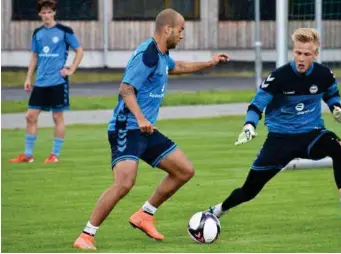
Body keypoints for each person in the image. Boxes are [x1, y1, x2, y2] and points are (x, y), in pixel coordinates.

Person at [73, 8, 229, 250]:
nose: (182, 35)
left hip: (145, 129)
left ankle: (145, 214)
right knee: (124, 183)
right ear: (167, 29)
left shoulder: (162, 55)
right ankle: (86, 235)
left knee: (184, 170)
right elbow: (125, 89)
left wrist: (209, 62)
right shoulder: (148, 53)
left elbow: (178, 67)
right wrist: (141, 117)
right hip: (127, 127)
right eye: (181, 30)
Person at [207, 28, 341, 225]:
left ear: (315, 55)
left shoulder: (324, 74)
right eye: (298, 52)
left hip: (311, 134)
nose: (301, 58)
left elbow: (331, 94)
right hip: (279, 140)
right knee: (249, 191)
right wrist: (249, 125)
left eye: (306, 54)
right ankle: (217, 210)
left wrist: (337, 109)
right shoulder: (278, 77)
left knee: (336, 145)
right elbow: (257, 105)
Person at [9, 0, 84, 164]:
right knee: (30, 116)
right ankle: (28, 155)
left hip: (58, 82)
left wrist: (71, 69)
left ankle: (54, 155)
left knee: (57, 117)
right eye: (43, 12)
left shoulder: (65, 31)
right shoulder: (37, 33)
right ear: (39, 14)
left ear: (54, 13)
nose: (46, 15)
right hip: (41, 82)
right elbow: (34, 56)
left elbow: (79, 50)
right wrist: (29, 78)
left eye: (49, 12)